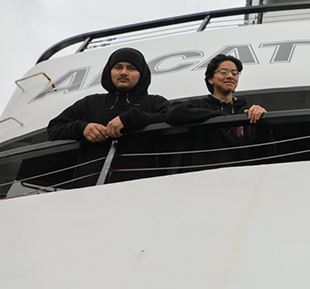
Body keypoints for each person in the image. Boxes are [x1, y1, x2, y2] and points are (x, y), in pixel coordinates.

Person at [46, 47, 169, 186]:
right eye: (118, 67)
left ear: (142, 74)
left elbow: (172, 117)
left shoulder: (155, 102)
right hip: (87, 190)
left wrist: (130, 119)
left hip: (140, 188)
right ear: (109, 72)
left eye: (131, 68)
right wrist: (82, 128)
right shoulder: (90, 103)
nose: (123, 72)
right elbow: (54, 128)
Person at [166, 54, 273, 170]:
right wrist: (224, 118)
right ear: (211, 79)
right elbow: (173, 113)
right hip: (204, 178)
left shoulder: (245, 111)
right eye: (223, 72)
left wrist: (263, 121)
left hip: (242, 179)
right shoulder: (199, 105)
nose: (230, 76)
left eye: (234, 73)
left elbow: (265, 153)